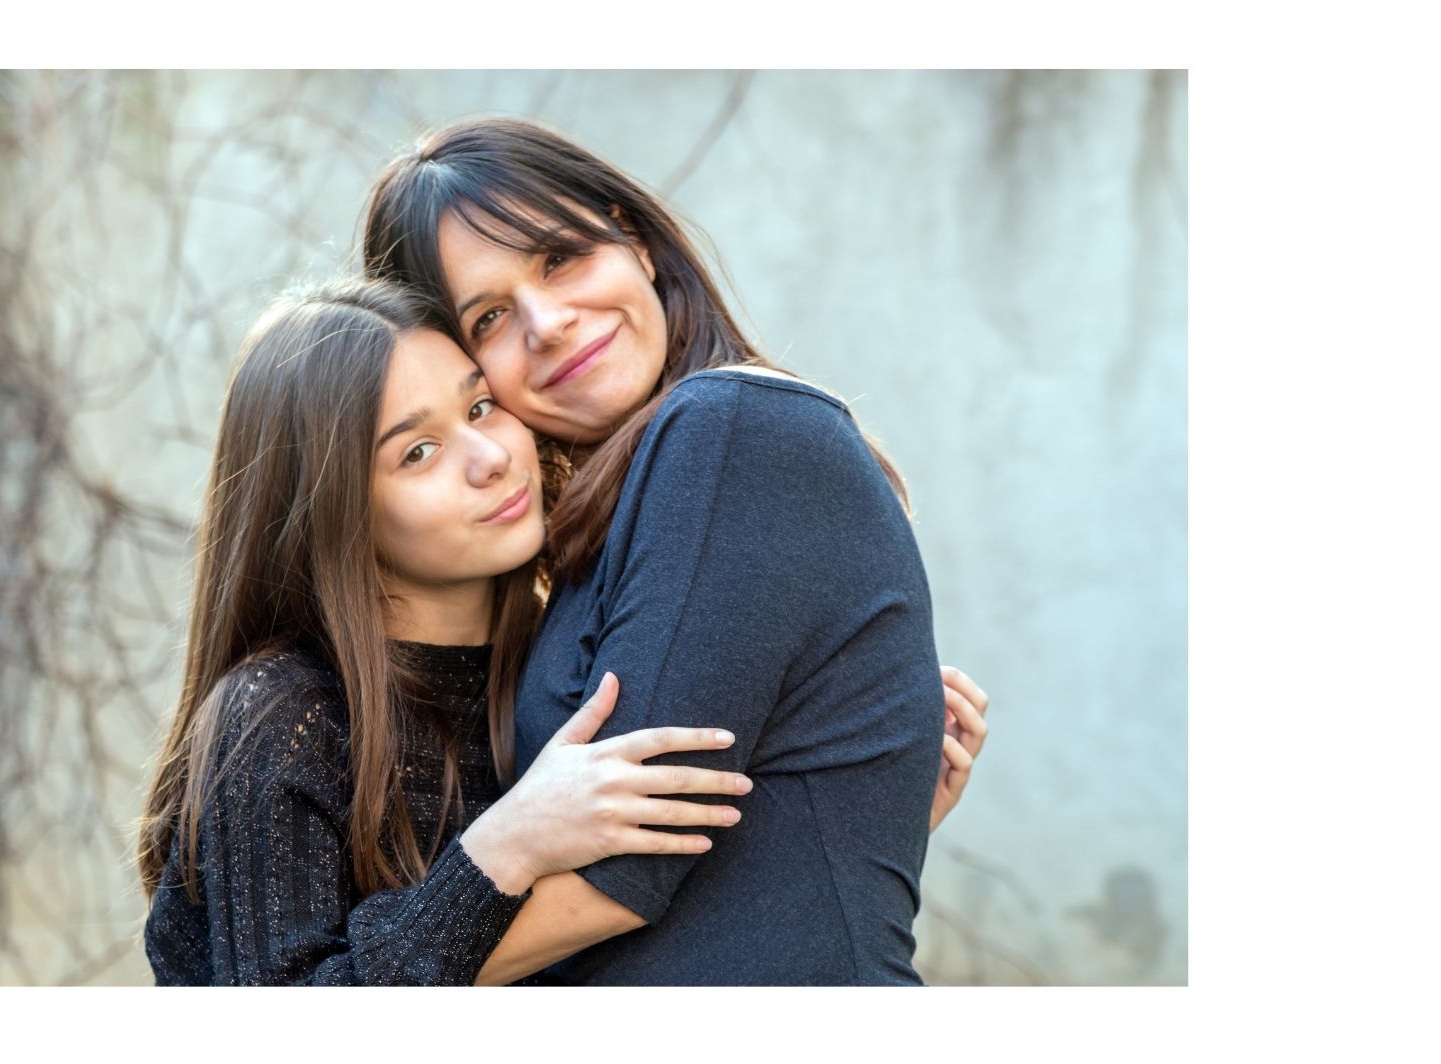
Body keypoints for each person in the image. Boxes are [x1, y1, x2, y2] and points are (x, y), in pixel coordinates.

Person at [363, 116, 980, 984]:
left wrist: (354, 983)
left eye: (560, 257)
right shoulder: (605, 527)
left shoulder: (725, 430)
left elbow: (620, 872)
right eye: (491, 317)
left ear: (639, 243)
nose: (545, 323)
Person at [135, 278, 760, 985]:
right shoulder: (284, 715)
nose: (489, 456)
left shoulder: (565, 648)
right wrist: (507, 846)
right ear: (335, 515)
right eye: (418, 452)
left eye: (480, 406)